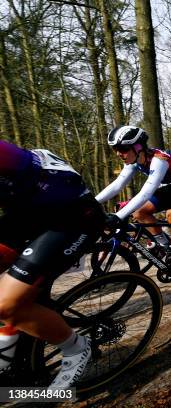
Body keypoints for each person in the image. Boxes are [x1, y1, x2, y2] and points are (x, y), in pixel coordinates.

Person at [0, 140, 105, 388]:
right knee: (15, 302)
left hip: (72, 218)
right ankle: (13, 349)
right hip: (29, 211)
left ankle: (77, 348)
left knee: (5, 304)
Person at [95, 126, 171, 294]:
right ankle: (165, 246)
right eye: (115, 149)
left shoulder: (159, 160)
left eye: (122, 149)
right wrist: (91, 203)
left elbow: (145, 193)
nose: (118, 153)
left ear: (137, 147)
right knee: (140, 212)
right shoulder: (135, 160)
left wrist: (119, 215)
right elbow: (117, 185)